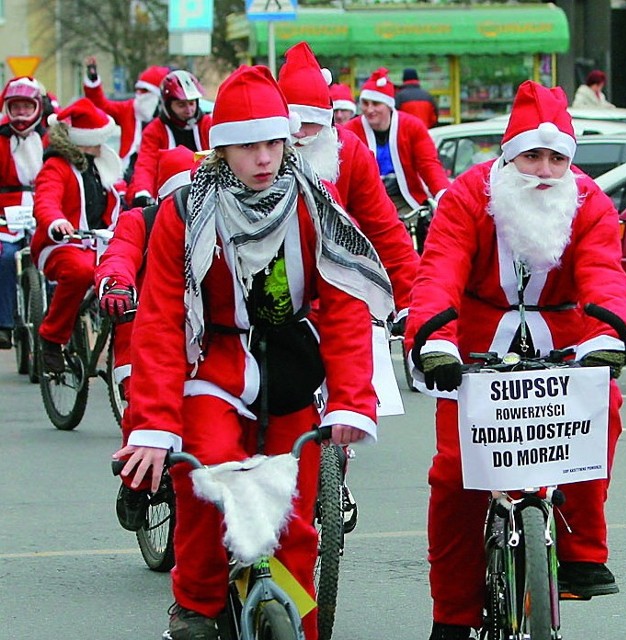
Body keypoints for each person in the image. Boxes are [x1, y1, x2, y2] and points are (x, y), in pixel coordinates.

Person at [113, 64, 393, 640]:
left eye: (273, 142)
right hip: (213, 369)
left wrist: (349, 401)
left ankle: (300, 628)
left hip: (293, 370)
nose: (264, 158)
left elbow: (342, 309)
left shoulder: (317, 203)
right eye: (247, 146)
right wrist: (154, 425)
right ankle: (196, 604)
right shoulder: (184, 212)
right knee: (208, 484)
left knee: (296, 527)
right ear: (221, 149)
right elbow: (163, 321)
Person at [405, 80, 626, 640]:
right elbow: (440, 270)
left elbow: (604, 270)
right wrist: (436, 341)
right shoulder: (467, 195)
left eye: (557, 158)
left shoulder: (590, 203)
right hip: (477, 340)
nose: (543, 170)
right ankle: (453, 615)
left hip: (563, 332)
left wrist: (606, 335)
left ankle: (581, 553)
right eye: (531, 155)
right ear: (508, 155)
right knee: (455, 478)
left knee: (601, 411)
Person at [95, 145, 198, 531]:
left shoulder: (225, 217)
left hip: (208, 331)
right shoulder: (141, 220)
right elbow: (119, 255)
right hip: (145, 326)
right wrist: (118, 286)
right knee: (142, 402)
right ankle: (134, 482)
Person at [278, 41, 419, 316]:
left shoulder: (349, 150)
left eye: (311, 122)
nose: (302, 134)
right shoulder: (264, 150)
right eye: (293, 124)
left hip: (341, 290)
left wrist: (412, 305)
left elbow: (385, 231)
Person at [32, 97, 122, 373]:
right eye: (96, 139)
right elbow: (46, 200)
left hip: (99, 241)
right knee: (80, 271)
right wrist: (57, 221)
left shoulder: (98, 163)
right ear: (79, 141)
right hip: (60, 244)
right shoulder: (56, 167)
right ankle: (52, 337)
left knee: (131, 272)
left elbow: (119, 195)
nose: (101, 145)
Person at [343, 67, 449, 217]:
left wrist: (443, 194)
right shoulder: (351, 130)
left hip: (406, 199)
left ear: (389, 105)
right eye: (365, 103)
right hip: (364, 201)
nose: (369, 109)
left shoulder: (413, 126)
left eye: (376, 103)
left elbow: (428, 164)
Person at [0, 76, 46, 349]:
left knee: (55, 259)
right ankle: (4, 323)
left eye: (26, 107)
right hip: (5, 211)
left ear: (36, 108)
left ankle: (61, 322)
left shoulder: (49, 136)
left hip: (44, 206)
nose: (20, 113)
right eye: (15, 107)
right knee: (4, 258)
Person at [126, 69, 211, 208]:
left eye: (191, 103)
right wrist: (143, 193)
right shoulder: (155, 130)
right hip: (168, 197)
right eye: (181, 105)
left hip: (205, 195)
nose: (189, 110)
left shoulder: (207, 125)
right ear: (168, 105)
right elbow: (146, 165)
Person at [83, 56, 171, 182]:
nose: (140, 95)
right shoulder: (129, 109)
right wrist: (93, 82)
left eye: (145, 91)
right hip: (128, 170)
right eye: (138, 90)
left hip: (158, 170)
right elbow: (101, 106)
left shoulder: (169, 116)